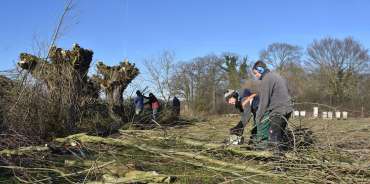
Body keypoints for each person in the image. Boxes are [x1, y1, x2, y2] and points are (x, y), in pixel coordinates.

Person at [252, 60, 293, 153]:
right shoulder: (276, 76)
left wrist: (258, 117)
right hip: (287, 108)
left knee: (273, 137)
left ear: (260, 70)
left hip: (279, 110)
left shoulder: (266, 79)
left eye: (255, 73)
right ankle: (280, 157)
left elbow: (264, 101)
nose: (255, 76)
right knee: (279, 136)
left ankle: (276, 163)